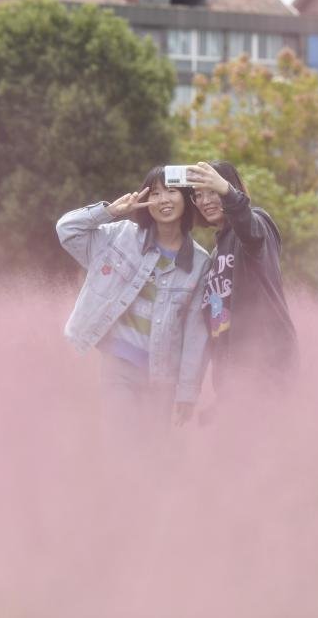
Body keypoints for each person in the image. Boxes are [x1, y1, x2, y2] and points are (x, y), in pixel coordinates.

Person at [56, 166, 210, 436]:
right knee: (121, 443)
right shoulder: (121, 235)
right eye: (156, 192)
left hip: (162, 378)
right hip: (118, 367)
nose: (163, 200)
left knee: (152, 455)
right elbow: (67, 230)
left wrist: (188, 391)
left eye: (171, 191)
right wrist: (109, 211)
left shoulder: (199, 262)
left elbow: (195, 332)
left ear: (186, 199)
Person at [187, 161, 298, 401]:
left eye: (212, 191)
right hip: (232, 377)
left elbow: (251, 232)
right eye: (198, 195)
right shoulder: (214, 256)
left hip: (266, 364)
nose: (205, 201)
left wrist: (227, 192)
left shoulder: (258, 224)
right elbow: (217, 318)